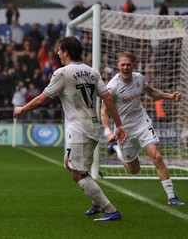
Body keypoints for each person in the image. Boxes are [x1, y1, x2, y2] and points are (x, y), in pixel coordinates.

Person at [13, 36, 126, 221]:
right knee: (69, 164)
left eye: (59, 49)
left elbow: (43, 98)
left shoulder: (62, 73)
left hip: (79, 128)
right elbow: (107, 99)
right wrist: (119, 125)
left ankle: (109, 209)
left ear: (66, 52)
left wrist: (23, 108)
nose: (57, 53)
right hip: (92, 126)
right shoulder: (92, 72)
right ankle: (97, 201)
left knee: (77, 174)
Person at [101, 51, 185, 206]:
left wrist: (170, 96)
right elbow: (103, 112)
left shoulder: (139, 78)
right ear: (118, 66)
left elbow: (152, 93)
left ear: (133, 65)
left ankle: (172, 197)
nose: (125, 67)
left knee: (157, 157)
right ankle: (117, 150)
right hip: (124, 130)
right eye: (122, 64)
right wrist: (108, 133)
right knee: (134, 170)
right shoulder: (112, 87)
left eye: (128, 64)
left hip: (142, 123)